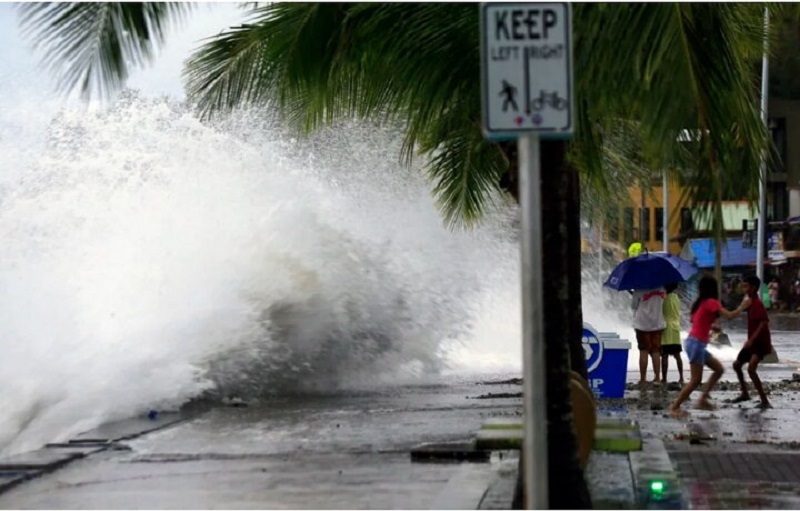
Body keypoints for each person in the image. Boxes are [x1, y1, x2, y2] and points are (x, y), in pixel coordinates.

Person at [668, 275, 746, 418]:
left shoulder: (699, 303)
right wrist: (743, 306)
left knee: (719, 369)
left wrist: (711, 327)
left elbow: (695, 321)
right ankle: (674, 406)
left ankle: (703, 399)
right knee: (695, 380)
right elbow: (729, 316)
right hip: (696, 344)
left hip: (693, 342)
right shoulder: (712, 302)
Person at [731, 275, 773, 409]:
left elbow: (764, 322)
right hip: (752, 342)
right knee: (737, 365)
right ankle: (745, 393)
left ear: (753, 288)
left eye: (746, 286)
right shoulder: (750, 301)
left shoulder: (757, 303)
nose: (743, 289)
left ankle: (764, 400)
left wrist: (752, 339)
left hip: (759, 343)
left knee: (751, 369)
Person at [631, 287, 666, 387]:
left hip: (642, 325)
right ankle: (657, 378)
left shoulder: (639, 289)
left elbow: (634, 306)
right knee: (656, 351)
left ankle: (643, 379)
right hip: (657, 323)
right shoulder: (662, 288)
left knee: (644, 351)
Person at [660, 282, 684, 385]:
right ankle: (681, 377)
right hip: (676, 328)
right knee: (677, 355)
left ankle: (664, 378)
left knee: (664, 355)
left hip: (666, 328)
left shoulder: (664, 299)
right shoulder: (677, 298)